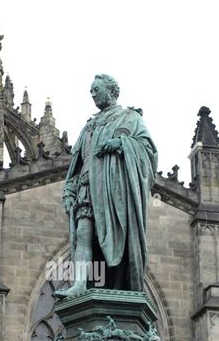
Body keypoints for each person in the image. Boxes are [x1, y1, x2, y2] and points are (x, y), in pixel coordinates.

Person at [55, 74, 157, 297]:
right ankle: (80, 284)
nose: (92, 94)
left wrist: (120, 144)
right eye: (90, 91)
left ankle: (119, 287)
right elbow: (77, 163)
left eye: (96, 89)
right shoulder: (89, 125)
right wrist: (68, 191)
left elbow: (147, 150)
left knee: (113, 239)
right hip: (87, 185)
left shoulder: (129, 118)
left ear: (110, 91)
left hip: (114, 191)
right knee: (83, 233)